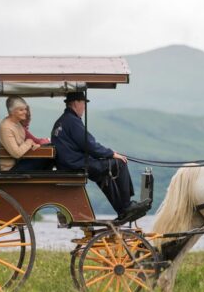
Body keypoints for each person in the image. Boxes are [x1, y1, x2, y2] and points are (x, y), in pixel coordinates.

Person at [52, 91, 147, 222]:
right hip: (76, 164)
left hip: (69, 164)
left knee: (102, 173)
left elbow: (87, 145)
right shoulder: (72, 121)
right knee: (120, 163)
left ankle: (122, 210)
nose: (84, 107)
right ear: (76, 103)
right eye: (83, 103)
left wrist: (108, 153)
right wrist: (112, 154)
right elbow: (90, 145)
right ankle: (126, 206)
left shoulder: (63, 121)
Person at [0, 96, 49, 172]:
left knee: (49, 153)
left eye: (25, 109)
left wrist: (34, 144)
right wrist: (29, 142)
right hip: (8, 168)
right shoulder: (6, 127)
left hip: (18, 162)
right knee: (48, 158)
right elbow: (16, 153)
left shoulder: (17, 123)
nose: (25, 112)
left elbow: (26, 143)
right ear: (12, 111)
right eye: (21, 110)